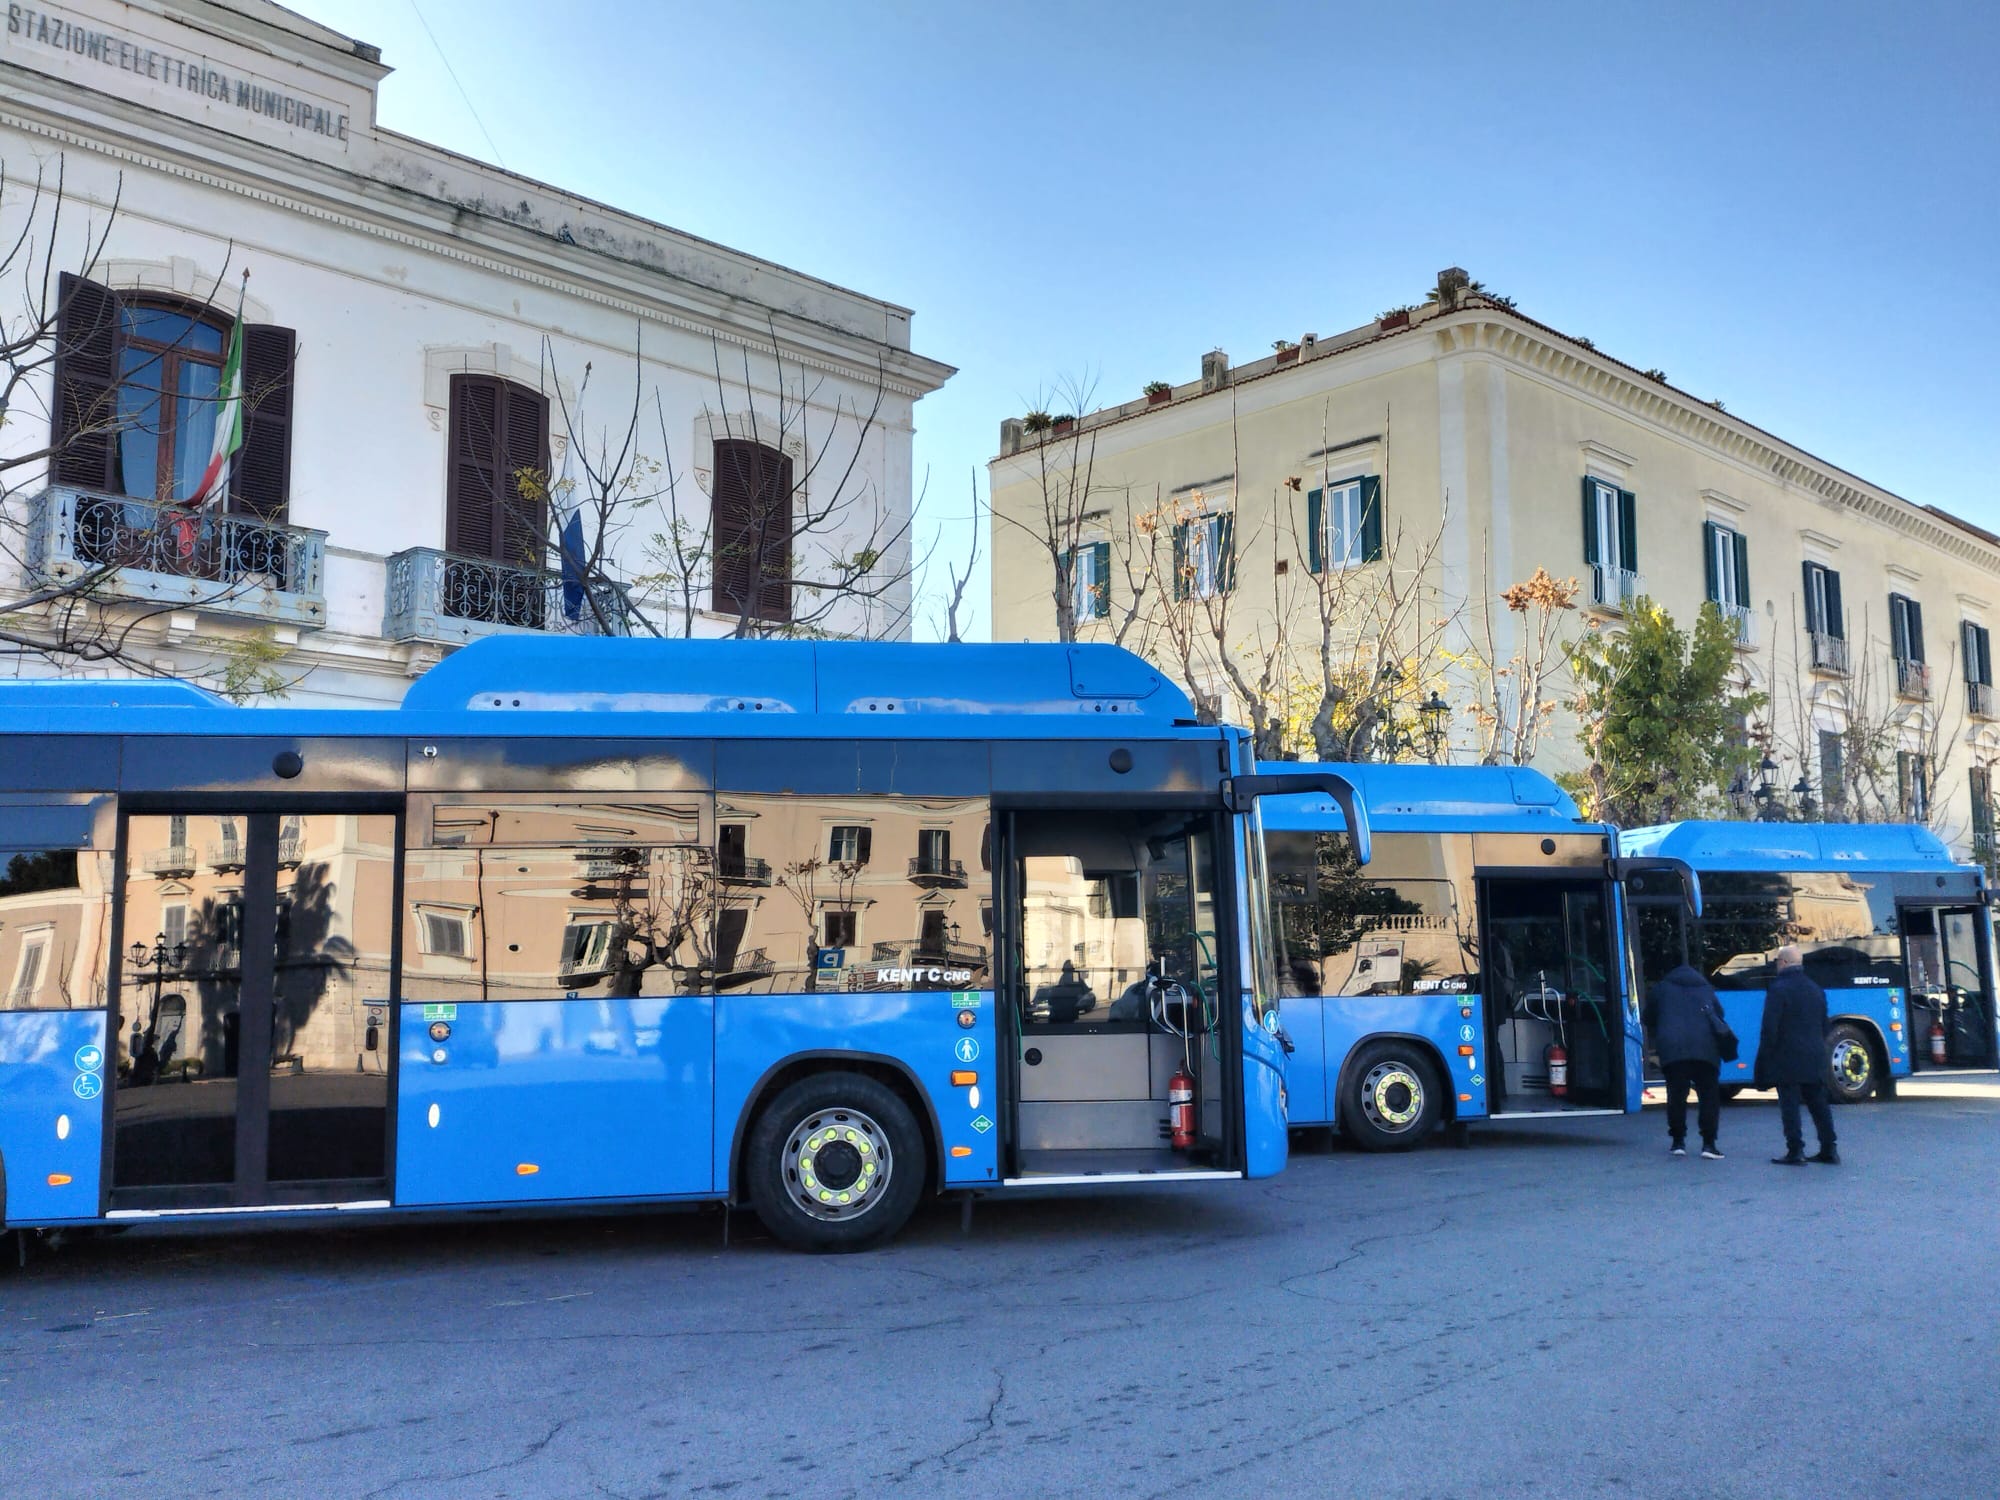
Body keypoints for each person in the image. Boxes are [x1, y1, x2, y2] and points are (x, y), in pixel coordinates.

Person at [1756, 944, 1839, 1166]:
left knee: (1790, 1106)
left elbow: (1770, 1027)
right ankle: (1829, 1149)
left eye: (1777, 961)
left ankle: (1796, 1150)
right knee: (1818, 1104)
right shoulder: (1815, 988)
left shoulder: (1778, 989)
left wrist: (1765, 1056)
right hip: (1815, 1056)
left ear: (1783, 962)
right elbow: (1825, 1025)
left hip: (1787, 1057)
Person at [1642, 962, 1728, 1159]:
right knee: (1708, 1097)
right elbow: (1719, 1015)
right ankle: (1709, 1144)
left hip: (1674, 1050)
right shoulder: (1706, 988)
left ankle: (1678, 1142)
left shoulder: (1661, 989)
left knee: (1676, 1096)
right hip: (1706, 1050)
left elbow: (1648, 1017)